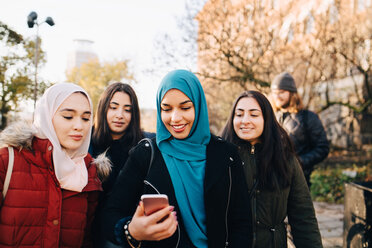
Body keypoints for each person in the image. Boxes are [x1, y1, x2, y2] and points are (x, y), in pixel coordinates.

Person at [102, 69, 251, 248]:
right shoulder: (145, 154)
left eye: (185, 107)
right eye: (166, 109)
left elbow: (242, 223)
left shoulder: (227, 154)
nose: (175, 118)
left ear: (199, 105)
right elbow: (109, 215)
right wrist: (131, 231)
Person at [0, 83, 109, 247]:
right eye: (68, 116)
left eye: (86, 118)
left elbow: (86, 240)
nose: (79, 126)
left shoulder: (89, 171)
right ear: (46, 117)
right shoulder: (7, 160)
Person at [221, 90, 323, 248]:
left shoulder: (284, 158)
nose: (245, 120)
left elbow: (303, 216)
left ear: (266, 119)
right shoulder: (221, 157)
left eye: (254, 115)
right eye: (239, 114)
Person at [89, 82, 154, 247]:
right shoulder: (86, 142)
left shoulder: (144, 146)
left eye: (127, 110)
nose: (120, 115)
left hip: (125, 233)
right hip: (88, 229)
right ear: (104, 109)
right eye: (113, 107)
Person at [270, 72, 329, 187]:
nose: (277, 96)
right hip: (272, 180)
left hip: (299, 180)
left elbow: (322, 148)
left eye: (282, 92)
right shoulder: (269, 117)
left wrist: (299, 162)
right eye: (274, 93)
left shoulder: (309, 117)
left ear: (292, 94)